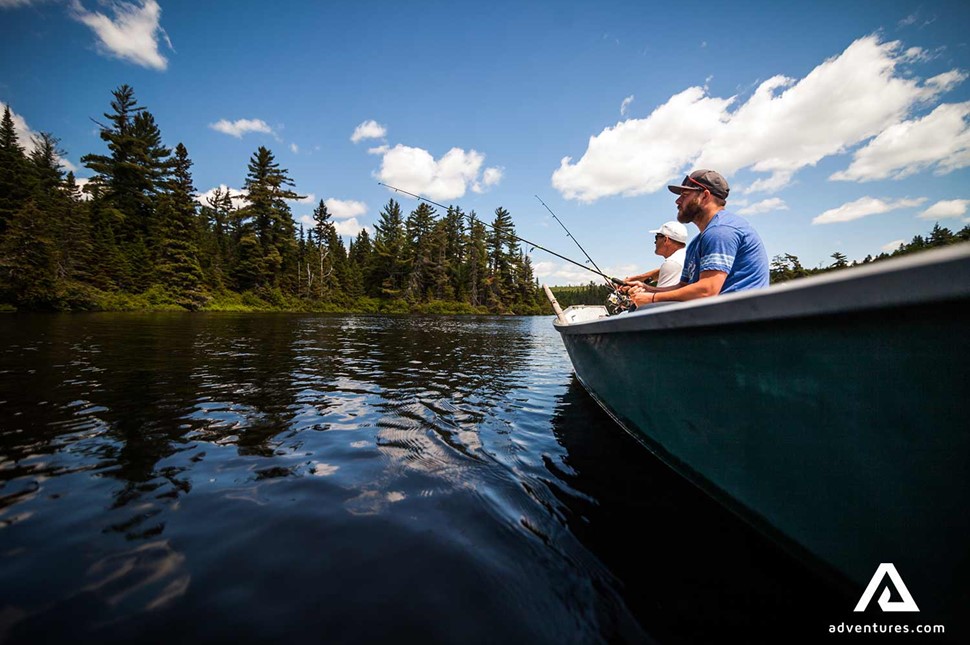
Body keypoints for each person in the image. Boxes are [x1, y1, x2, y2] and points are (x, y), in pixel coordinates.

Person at [629, 169, 768, 306]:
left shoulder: (721, 231)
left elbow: (707, 290)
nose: (678, 201)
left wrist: (652, 298)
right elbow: (683, 287)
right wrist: (648, 289)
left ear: (705, 196)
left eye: (685, 195)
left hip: (741, 321)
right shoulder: (697, 242)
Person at [623, 221, 689, 289]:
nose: (655, 242)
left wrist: (635, 291)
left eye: (656, 237)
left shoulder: (672, 263)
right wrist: (631, 280)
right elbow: (660, 272)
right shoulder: (684, 257)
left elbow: (663, 297)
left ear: (666, 240)